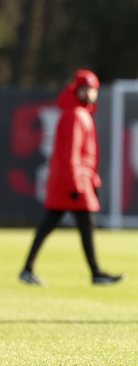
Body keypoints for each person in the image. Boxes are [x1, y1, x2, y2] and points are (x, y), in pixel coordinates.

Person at [19, 69, 126, 287]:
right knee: (83, 225)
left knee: (52, 224)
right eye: (85, 89)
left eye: (93, 89)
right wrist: (76, 184)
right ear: (76, 90)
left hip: (73, 179)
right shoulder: (76, 115)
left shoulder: (79, 113)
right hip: (73, 181)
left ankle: (28, 269)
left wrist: (91, 179)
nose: (90, 93)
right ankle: (96, 273)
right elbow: (71, 153)